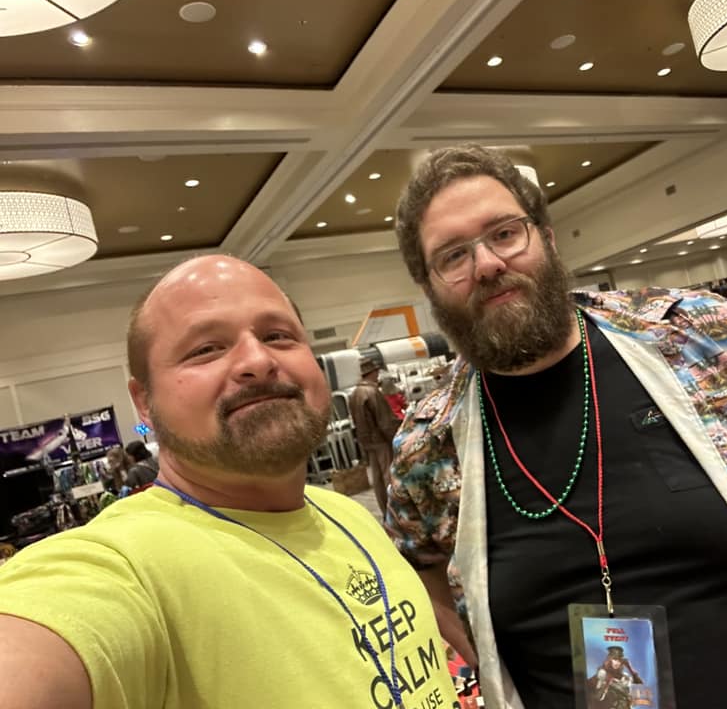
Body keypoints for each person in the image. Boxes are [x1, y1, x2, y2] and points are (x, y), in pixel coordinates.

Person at [386, 145, 727, 708]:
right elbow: (415, 564)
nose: (486, 264)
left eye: (504, 233)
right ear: (429, 289)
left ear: (546, 238)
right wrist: (483, 652)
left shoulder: (696, 336)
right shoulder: (430, 445)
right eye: (453, 255)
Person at [0, 255, 459, 709]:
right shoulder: (120, 567)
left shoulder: (349, 515)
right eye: (205, 349)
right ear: (144, 403)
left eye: (277, 336)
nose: (258, 360)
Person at [349, 357, 402, 517]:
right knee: (388, 475)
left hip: (367, 441)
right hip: (381, 440)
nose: (378, 374)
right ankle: (396, 511)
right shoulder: (372, 392)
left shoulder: (355, 393)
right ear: (372, 372)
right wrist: (396, 437)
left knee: (377, 479)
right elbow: (385, 422)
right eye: (376, 371)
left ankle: (386, 511)